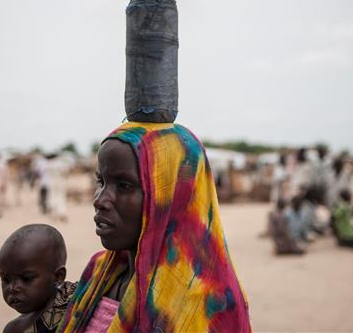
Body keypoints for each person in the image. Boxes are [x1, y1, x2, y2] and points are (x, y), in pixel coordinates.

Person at [59, 122, 251, 332]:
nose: (100, 200)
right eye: (101, 181)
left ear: (172, 197)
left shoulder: (211, 302)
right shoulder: (98, 272)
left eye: (124, 185)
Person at [0, 224, 77, 333]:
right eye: (6, 280)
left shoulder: (79, 304)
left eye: (26, 279)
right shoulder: (15, 329)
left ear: (59, 276)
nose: (12, 288)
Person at [44, 153, 69, 223]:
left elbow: (46, 173)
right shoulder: (60, 163)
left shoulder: (49, 164)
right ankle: (61, 213)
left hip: (51, 182)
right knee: (61, 197)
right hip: (60, 182)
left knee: (51, 197)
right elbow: (65, 172)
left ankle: (53, 214)